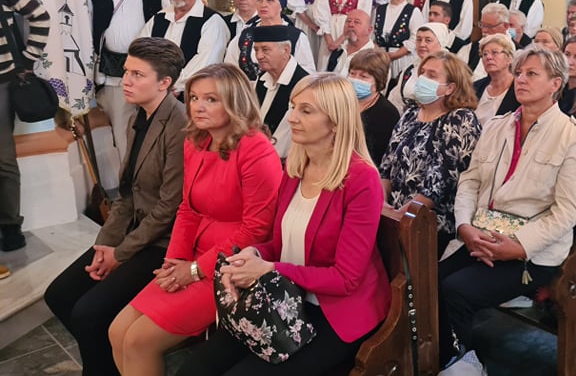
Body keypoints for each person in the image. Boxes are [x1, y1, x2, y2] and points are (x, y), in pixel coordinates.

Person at [175, 73, 391, 375]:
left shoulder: (361, 179)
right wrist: (253, 254)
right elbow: (281, 244)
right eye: (293, 107)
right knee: (194, 368)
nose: (291, 118)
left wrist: (269, 268)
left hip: (334, 311)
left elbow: (346, 279)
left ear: (335, 122)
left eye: (306, 110)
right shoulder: (295, 167)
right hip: (285, 296)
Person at [108, 64, 282, 375]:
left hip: (233, 266)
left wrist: (194, 270)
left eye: (211, 99)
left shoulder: (256, 149)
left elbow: (257, 229)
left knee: (138, 342)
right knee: (118, 330)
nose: (198, 107)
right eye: (194, 98)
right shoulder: (196, 141)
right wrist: (174, 259)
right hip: (192, 257)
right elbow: (188, 209)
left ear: (235, 101)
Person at [440, 46, 576, 372]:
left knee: (455, 290)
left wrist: (519, 246)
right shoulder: (498, 126)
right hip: (482, 234)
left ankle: (466, 363)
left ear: (555, 84)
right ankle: (443, 354)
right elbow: (470, 180)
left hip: (532, 253)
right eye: (519, 73)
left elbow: (565, 213)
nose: (521, 79)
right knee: (427, 280)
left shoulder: (571, 138)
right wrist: (465, 226)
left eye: (532, 74)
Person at [45, 38, 187, 376]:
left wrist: (120, 254)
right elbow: (126, 195)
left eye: (138, 74)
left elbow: (168, 208)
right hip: (132, 231)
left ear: (164, 83)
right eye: (126, 72)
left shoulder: (179, 126)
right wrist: (105, 245)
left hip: (162, 242)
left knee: (88, 313)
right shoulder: (138, 117)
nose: (126, 81)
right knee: (59, 295)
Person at [380, 50, 481, 256]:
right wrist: (382, 206)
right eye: (422, 73)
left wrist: (403, 216)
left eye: (432, 75)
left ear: (450, 87)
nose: (423, 79)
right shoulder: (410, 114)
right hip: (393, 214)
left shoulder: (461, 119)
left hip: (431, 222)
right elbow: (387, 166)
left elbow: (440, 183)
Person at [89, 0, 169, 158]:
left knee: (154, 125)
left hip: (149, 72)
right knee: (121, 128)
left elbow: (167, 28)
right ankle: (128, 173)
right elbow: (87, 26)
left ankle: (151, 170)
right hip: (113, 74)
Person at [0, 0, 50, 264]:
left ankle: (9, 225)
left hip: (2, 84)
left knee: (4, 159)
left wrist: (29, 59)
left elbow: (40, 16)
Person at [139, 0, 230, 95]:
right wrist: (152, 82)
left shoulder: (212, 22)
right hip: (154, 91)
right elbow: (141, 51)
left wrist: (172, 86)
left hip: (193, 93)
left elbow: (205, 63)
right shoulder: (159, 17)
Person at [226, 0, 316, 81]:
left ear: (281, 5)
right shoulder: (245, 35)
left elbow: (308, 74)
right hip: (247, 89)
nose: (263, 5)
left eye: (269, 0)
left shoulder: (295, 36)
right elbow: (230, 69)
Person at [253, 25, 311, 158]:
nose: (259, 56)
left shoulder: (304, 84)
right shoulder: (261, 79)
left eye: (265, 49)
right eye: (256, 50)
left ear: (286, 50)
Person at [349, 49, 400, 166]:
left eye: (364, 76)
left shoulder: (387, 113)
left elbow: (381, 155)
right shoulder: (341, 102)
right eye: (352, 73)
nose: (356, 80)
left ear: (378, 80)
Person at [388, 23, 452, 112]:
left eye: (428, 40)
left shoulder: (450, 69)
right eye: (419, 40)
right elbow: (396, 99)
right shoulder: (409, 69)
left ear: (441, 42)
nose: (422, 44)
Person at [374, 0, 424, 80]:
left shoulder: (413, 11)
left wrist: (395, 55)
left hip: (402, 60)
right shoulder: (380, 10)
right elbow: (372, 34)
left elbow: (415, 38)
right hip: (380, 60)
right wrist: (380, 54)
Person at [473, 33, 519, 125]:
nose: (488, 57)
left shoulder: (519, 88)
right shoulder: (475, 87)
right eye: (484, 54)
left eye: (494, 53)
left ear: (510, 58)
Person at [325, 8, 375, 76]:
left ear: (369, 30)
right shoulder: (339, 51)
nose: (351, 25)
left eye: (357, 22)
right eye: (348, 21)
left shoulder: (375, 57)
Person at [468, 3, 511, 76]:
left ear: (505, 26)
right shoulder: (471, 48)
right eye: (482, 25)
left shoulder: (516, 52)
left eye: (489, 26)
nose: (484, 30)